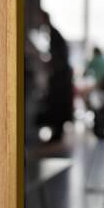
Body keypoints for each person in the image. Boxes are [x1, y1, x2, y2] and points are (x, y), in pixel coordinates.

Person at [35, 10, 74, 142]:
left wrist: (47, 63)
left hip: (61, 77)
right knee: (57, 104)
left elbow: (58, 58)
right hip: (61, 75)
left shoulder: (53, 34)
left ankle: (57, 134)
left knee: (57, 103)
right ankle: (57, 133)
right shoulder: (52, 33)